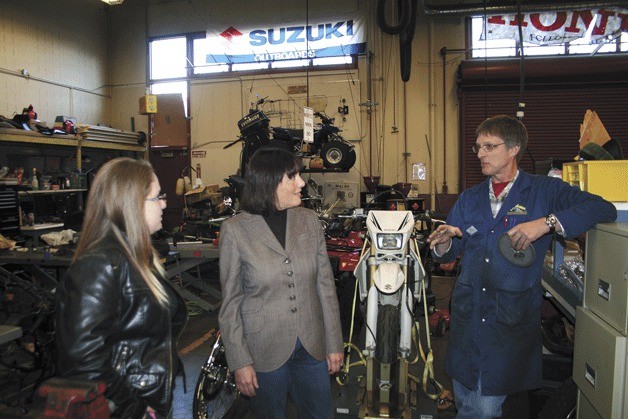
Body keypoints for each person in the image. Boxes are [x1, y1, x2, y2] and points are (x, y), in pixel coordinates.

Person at [427, 115, 617, 418]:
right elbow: (453, 248)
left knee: (485, 408)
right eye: (478, 147)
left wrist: (545, 223)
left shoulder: (545, 192)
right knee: (466, 400)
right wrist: (443, 244)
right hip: (468, 316)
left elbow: (602, 207)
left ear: (514, 148)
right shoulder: (470, 199)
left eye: (490, 146)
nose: (480, 154)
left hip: (508, 320)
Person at [55, 157, 188, 419]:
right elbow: (81, 361)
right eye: (157, 197)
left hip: (150, 400)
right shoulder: (100, 264)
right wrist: (134, 408)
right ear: (132, 204)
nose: (164, 203)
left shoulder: (135, 256)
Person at [218, 147, 344, 418]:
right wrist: (239, 361)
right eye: (293, 176)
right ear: (269, 182)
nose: (301, 183)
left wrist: (334, 343)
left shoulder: (309, 221)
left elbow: (325, 288)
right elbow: (230, 303)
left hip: (312, 346)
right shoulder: (236, 230)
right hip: (263, 348)